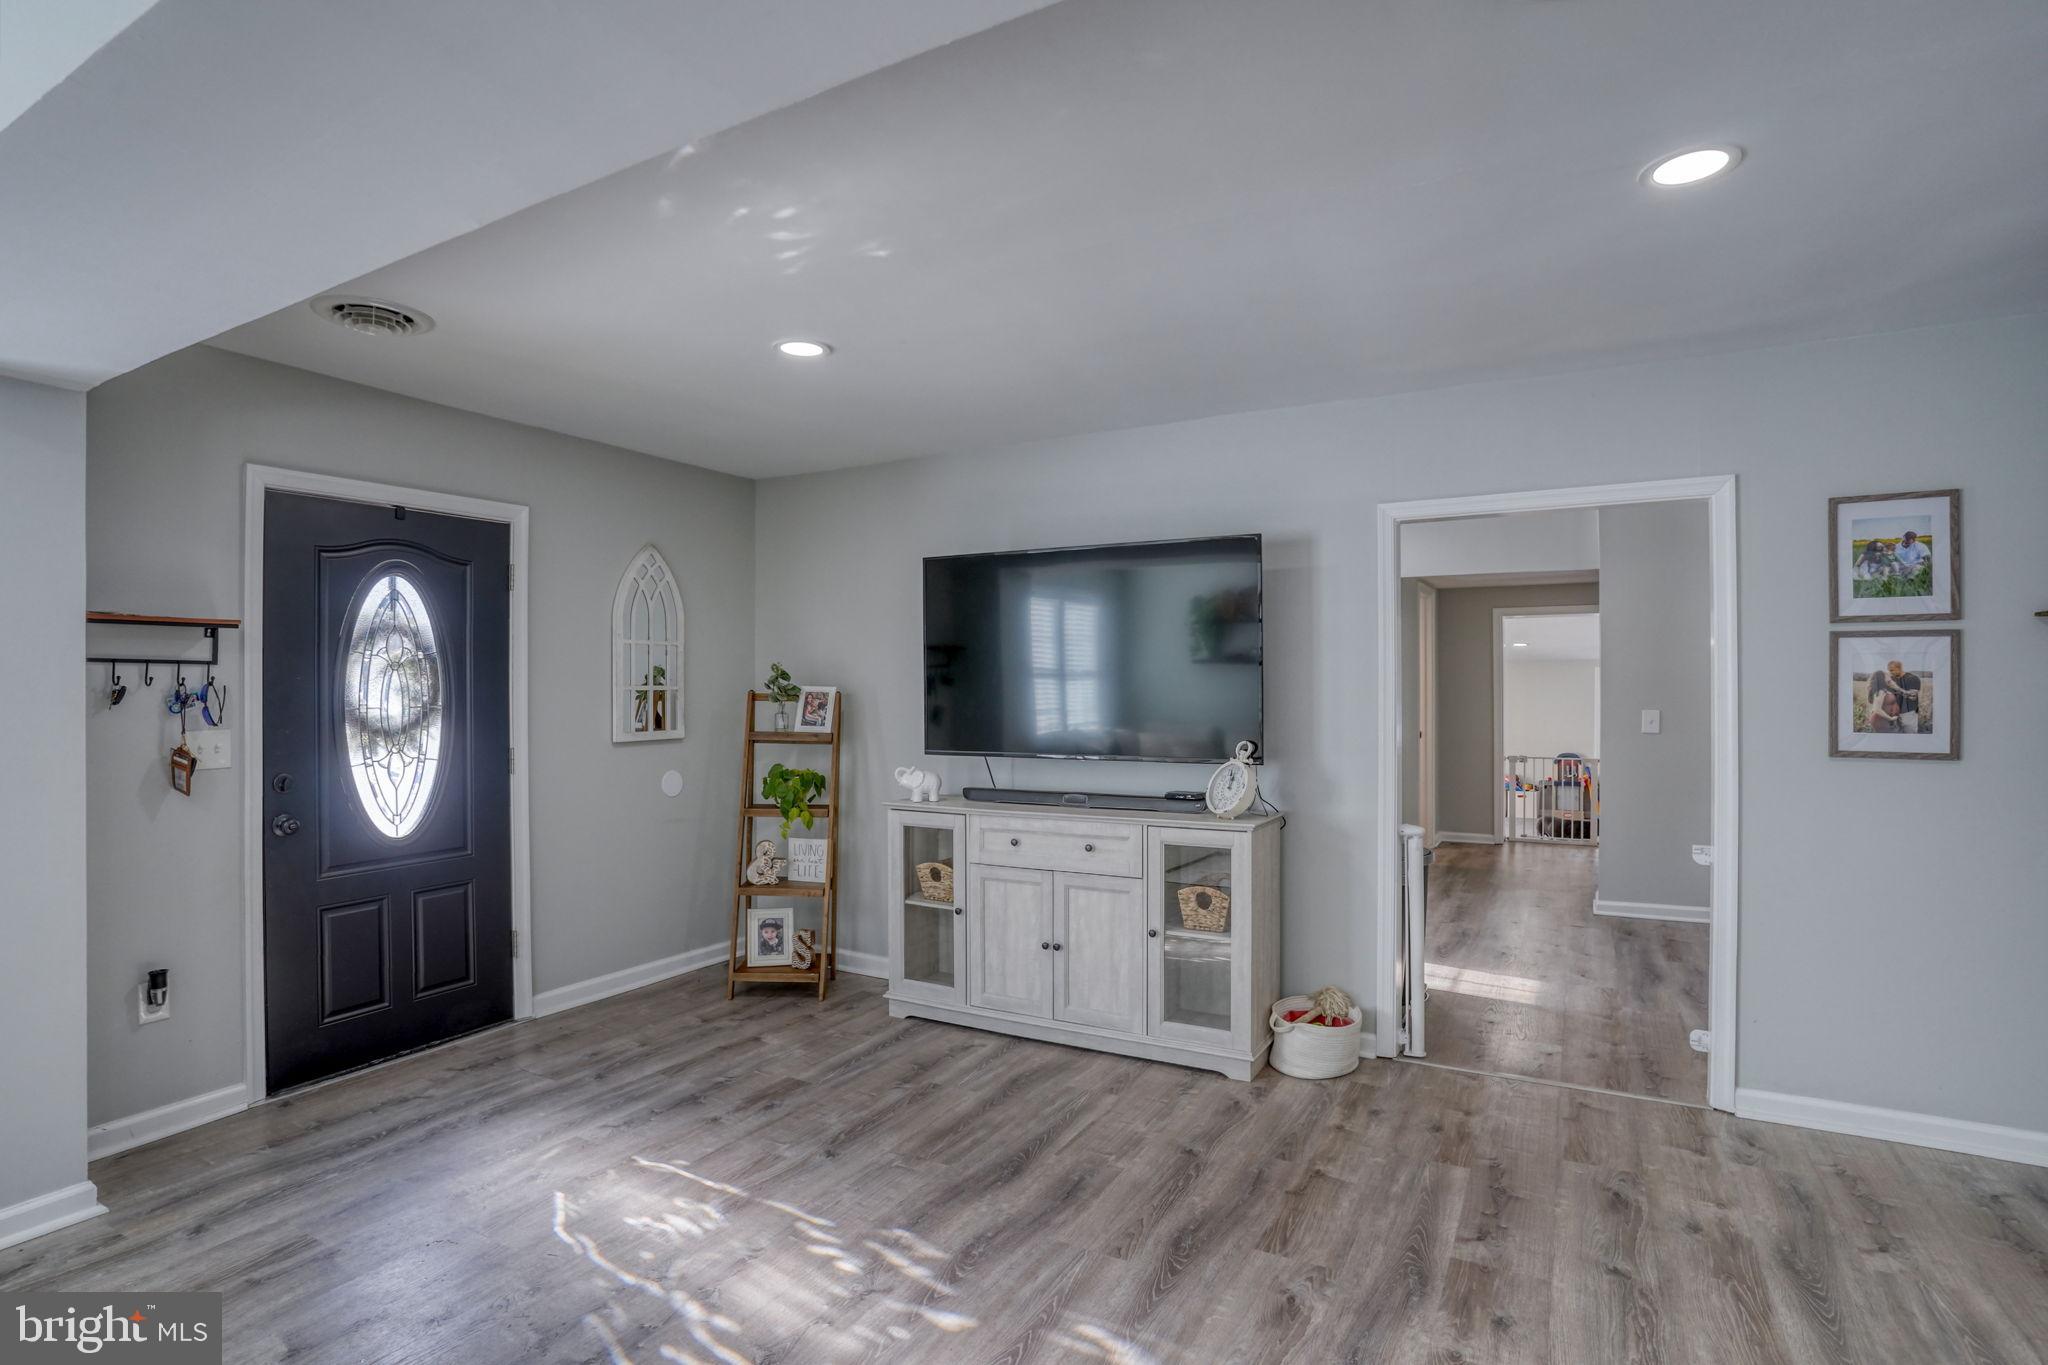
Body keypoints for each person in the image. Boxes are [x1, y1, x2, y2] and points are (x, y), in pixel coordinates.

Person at [1887, 659, 1923, 733]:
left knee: (1910, 736)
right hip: (1895, 714)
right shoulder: (1893, 679)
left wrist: (1896, 688)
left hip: (1908, 714)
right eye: (1889, 671)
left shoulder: (1912, 678)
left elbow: (1913, 696)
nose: (1890, 673)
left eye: (1892, 670)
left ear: (1899, 668)